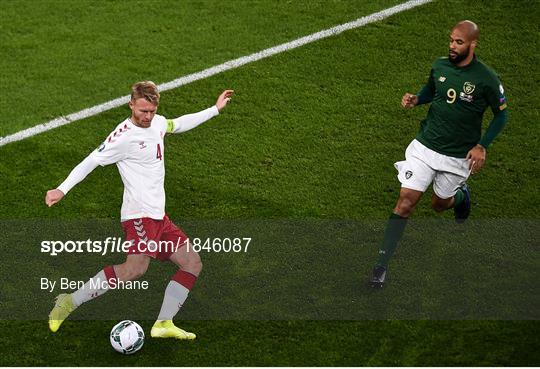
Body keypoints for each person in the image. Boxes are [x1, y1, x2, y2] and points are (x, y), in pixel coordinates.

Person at [46, 81, 234, 339]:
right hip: (139, 216)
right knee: (134, 270)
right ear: (131, 105)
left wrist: (214, 109)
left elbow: (177, 124)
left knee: (192, 263)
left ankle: (163, 323)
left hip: (159, 216)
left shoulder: (157, 123)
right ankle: (69, 301)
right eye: (142, 111)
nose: (147, 117)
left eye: (151, 112)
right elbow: (90, 161)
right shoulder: (123, 137)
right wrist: (62, 189)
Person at [370, 20, 509, 288]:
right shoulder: (440, 65)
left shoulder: (486, 79)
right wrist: (417, 99)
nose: (452, 46)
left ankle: (460, 197)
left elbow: (502, 116)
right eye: (451, 40)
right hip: (425, 146)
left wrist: (482, 146)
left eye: (459, 42)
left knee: (438, 204)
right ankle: (380, 266)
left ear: (472, 44)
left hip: (457, 157)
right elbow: (432, 91)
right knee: (405, 202)